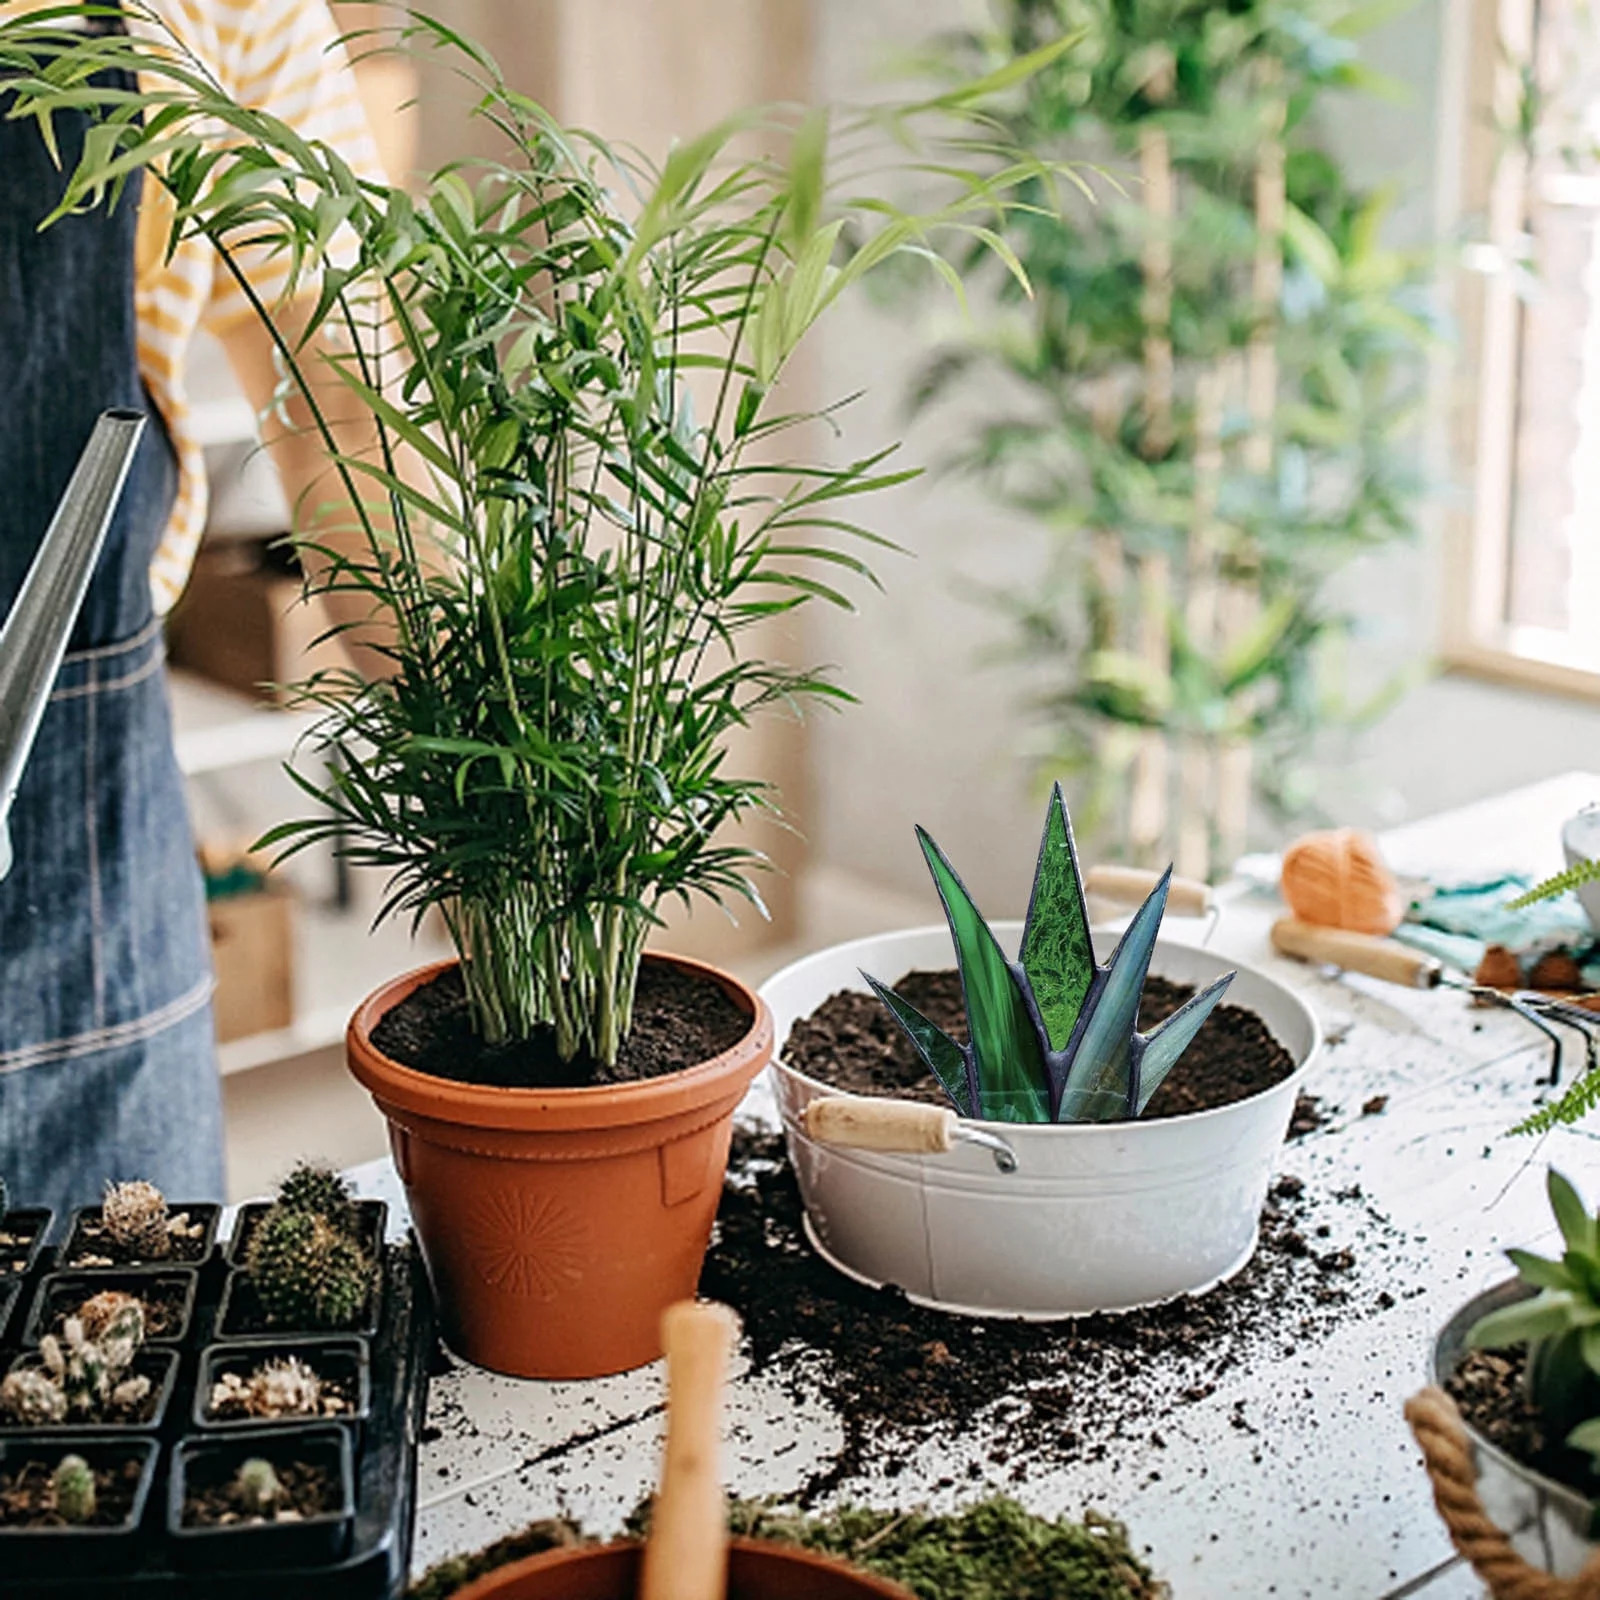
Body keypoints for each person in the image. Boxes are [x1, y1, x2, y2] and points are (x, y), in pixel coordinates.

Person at [0, 0, 380, 1218]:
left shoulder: (212, 8)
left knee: (129, 1351)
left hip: (86, 823)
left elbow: (350, 405)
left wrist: (507, 831)